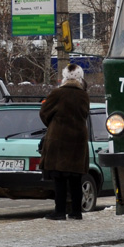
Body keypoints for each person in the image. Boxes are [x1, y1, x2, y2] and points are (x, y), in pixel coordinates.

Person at [39, 64, 91, 220]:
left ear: (64, 77)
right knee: (76, 178)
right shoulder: (84, 95)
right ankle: (76, 211)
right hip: (78, 140)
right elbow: (85, 114)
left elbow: (44, 113)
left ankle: (59, 211)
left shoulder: (57, 93)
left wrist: (54, 125)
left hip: (59, 140)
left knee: (59, 178)